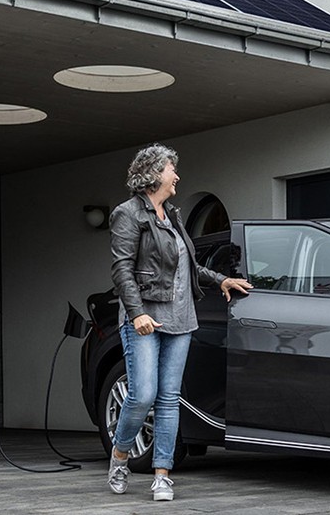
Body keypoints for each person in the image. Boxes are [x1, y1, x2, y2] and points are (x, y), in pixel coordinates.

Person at [106, 143, 252, 501]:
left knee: (170, 399)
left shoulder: (172, 215)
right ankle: (120, 456)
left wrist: (220, 279)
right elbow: (122, 269)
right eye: (172, 169)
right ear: (155, 173)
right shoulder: (128, 214)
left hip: (181, 319)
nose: (177, 176)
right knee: (143, 396)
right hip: (145, 318)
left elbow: (186, 265)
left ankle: (161, 474)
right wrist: (137, 312)